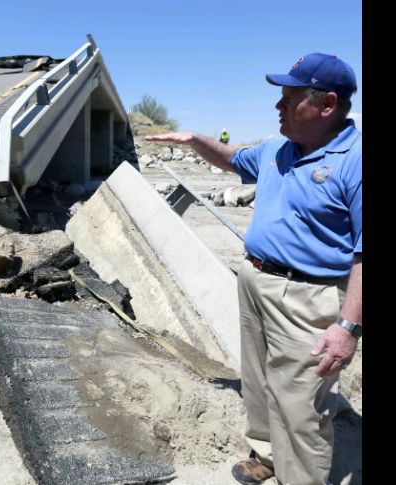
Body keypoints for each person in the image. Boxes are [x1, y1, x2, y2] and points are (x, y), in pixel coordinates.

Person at [146, 52, 361, 485]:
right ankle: (266, 452)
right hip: (255, 279)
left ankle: (299, 478)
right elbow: (234, 160)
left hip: (310, 296)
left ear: (327, 104)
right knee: (259, 379)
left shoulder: (355, 160)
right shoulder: (277, 149)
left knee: (301, 403)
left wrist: (348, 328)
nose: (278, 107)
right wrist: (195, 141)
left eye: (289, 98)